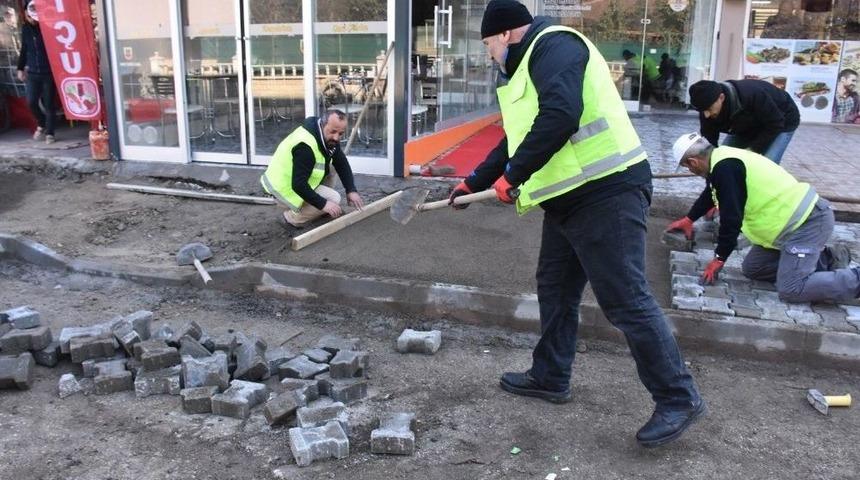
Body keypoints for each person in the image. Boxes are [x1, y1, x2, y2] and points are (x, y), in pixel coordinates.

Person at [449, 0, 705, 448]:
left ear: (506, 33)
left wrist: (514, 177)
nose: (489, 53)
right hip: (569, 199)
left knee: (626, 299)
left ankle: (678, 397)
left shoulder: (555, 47)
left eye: (488, 43)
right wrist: (475, 182)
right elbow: (519, 136)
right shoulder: (528, 69)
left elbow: (561, 115)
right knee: (555, 286)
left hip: (607, 191)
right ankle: (551, 375)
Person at [666, 132, 858, 303]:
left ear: (693, 162)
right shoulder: (720, 160)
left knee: (791, 289)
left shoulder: (726, 167)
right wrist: (690, 219)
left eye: (687, 167)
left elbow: (731, 219)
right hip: (785, 230)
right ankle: (829, 258)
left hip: (808, 222)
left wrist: (719, 258)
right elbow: (711, 192)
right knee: (753, 268)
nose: (690, 171)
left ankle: (855, 278)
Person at [260, 110, 364, 228]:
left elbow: (341, 161)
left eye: (341, 134)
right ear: (323, 124)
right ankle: (291, 218)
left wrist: (351, 190)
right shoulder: (306, 147)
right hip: (282, 188)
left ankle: (317, 208)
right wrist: (323, 204)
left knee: (332, 166)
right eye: (333, 132)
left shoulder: (325, 136)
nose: (336, 137)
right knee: (335, 199)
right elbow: (298, 185)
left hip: (296, 180)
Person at [688, 79, 799, 164]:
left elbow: (775, 123)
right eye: (702, 111)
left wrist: (752, 149)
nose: (706, 115)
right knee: (723, 160)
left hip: (782, 120)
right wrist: (709, 162)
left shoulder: (752, 95)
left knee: (766, 163)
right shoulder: (705, 107)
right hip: (747, 125)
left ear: (721, 98)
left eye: (709, 109)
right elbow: (710, 139)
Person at [16, 0, 57, 144]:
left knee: (49, 103)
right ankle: (42, 123)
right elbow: (24, 50)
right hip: (33, 72)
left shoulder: (47, 27)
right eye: (29, 15)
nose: (31, 18)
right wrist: (20, 68)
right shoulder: (25, 29)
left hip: (48, 72)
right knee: (31, 101)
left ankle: (50, 133)